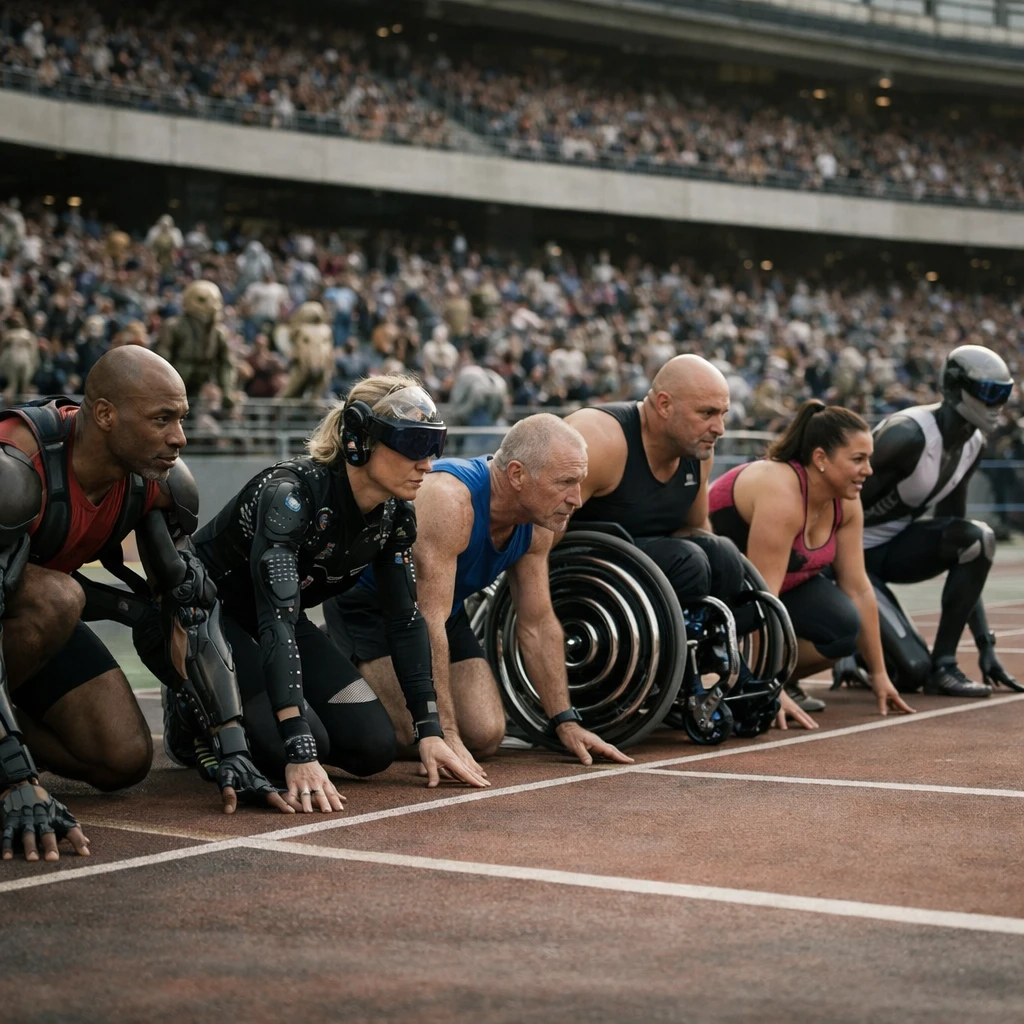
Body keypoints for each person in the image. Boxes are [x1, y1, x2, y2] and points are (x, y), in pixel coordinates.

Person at [0, 348, 285, 865]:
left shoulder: (156, 481)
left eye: (180, 418)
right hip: (35, 609)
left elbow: (192, 605)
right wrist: (14, 774)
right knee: (59, 595)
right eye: (161, 419)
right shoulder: (15, 468)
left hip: (29, 625)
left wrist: (234, 746)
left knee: (123, 759)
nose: (178, 437)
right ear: (105, 415)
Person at [192, 374, 488, 810]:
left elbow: (405, 622)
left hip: (278, 620)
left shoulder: (394, 517)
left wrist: (430, 730)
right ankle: (195, 719)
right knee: (287, 748)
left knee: (373, 748)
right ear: (358, 440)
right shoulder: (290, 495)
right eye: (413, 445)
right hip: (207, 619)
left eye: (434, 447)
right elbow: (276, 619)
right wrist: (298, 747)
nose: (427, 463)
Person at [324, 414, 632, 772]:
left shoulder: (540, 522)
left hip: (442, 609)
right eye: (565, 482)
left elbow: (537, 621)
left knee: (486, 736)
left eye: (578, 482)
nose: (576, 499)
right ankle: (331, 663)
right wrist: (443, 732)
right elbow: (428, 618)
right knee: (408, 736)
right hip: (371, 607)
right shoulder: (449, 501)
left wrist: (566, 721)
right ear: (517, 474)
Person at [564, 354, 796, 728]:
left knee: (720, 552)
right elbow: (537, 533)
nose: (719, 427)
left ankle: (719, 663)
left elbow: (698, 526)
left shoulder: (696, 451)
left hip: (647, 576)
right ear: (664, 405)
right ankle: (674, 672)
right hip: (588, 586)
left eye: (723, 414)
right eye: (707, 413)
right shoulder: (600, 439)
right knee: (688, 560)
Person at [708, 400, 916, 726]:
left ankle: (777, 677)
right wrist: (768, 688)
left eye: (869, 459)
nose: (869, 470)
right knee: (755, 700)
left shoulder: (846, 501)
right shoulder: (782, 492)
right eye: (858, 459)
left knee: (843, 627)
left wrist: (879, 673)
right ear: (820, 458)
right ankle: (744, 676)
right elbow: (764, 599)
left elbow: (858, 587)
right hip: (724, 592)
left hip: (774, 589)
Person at [850, 345, 1017, 697]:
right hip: (848, 558)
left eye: (1005, 393)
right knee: (911, 672)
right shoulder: (906, 436)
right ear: (957, 389)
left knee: (978, 538)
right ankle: (850, 647)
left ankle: (945, 664)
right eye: (990, 392)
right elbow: (833, 504)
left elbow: (964, 544)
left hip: (890, 550)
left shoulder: (973, 444)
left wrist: (986, 644)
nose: (998, 403)